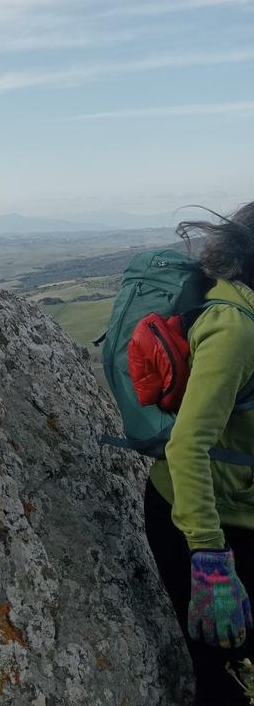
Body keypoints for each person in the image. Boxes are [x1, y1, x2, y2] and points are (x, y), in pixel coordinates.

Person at [144, 202, 254, 705]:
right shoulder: (234, 329)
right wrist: (210, 558)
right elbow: (188, 444)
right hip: (202, 519)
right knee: (224, 670)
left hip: (236, 504)